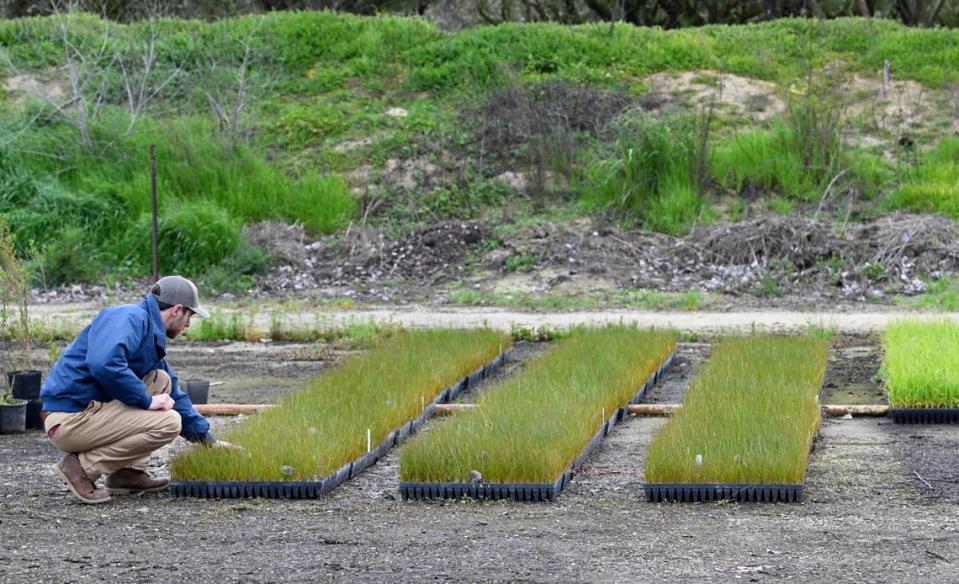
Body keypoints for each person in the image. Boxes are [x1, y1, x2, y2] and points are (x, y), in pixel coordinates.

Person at [40, 275, 224, 504]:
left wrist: (208, 440)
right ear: (177, 310)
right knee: (169, 422)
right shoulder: (129, 317)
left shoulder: (148, 332)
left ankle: (127, 474)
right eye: (190, 315)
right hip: (69, 419)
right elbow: (103, 363)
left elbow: (174, 393)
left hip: (88, 413)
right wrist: (147, 402)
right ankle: (81, 468)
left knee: (162, 381)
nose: (188, 324)